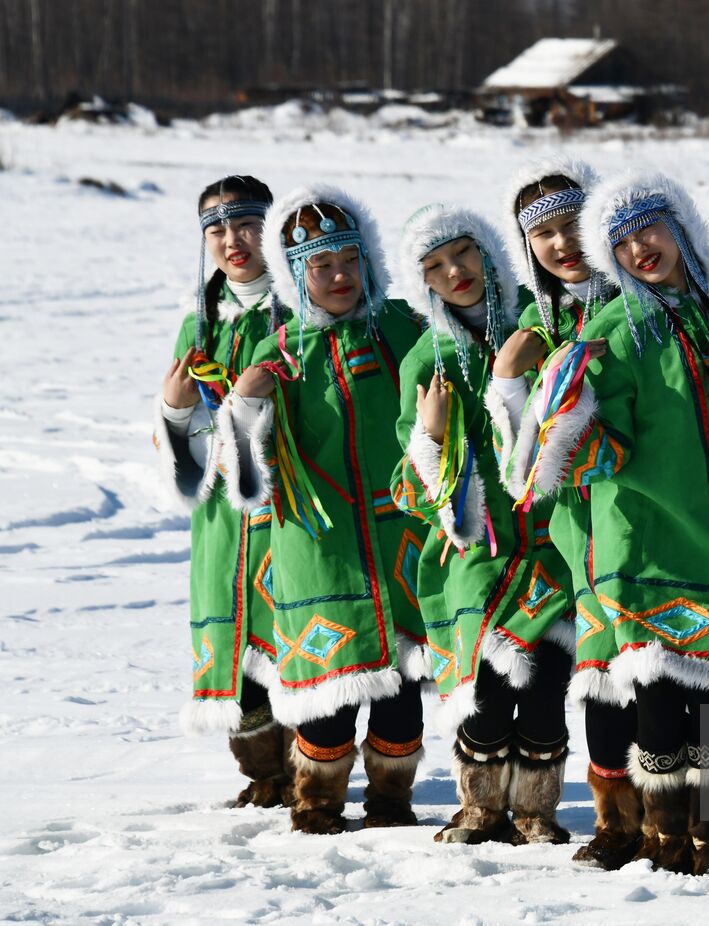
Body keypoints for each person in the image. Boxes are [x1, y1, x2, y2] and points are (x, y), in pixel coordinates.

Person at [499, 170, 709, 874]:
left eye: (652, 227)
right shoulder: (611, 331)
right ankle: (659, 834)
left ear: (684, 227)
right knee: (652, 696)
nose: (641, 247)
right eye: (620, 239)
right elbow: (577, 456)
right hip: (644, 540)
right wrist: (562, 398)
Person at [218, 185, 430, 834]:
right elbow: (241, 474)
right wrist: (246, 399)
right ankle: (316, 806)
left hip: (400, 548)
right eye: (320, 265)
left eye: (348, 259)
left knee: (400, 695)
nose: (339, 277)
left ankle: (392, 801)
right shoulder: (282, 350)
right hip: (320, 553)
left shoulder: (402, 328)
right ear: (295, 275)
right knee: (325, 699)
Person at [391, 202, 575, 845]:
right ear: (422, 283)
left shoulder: (541, 320)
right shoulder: (426, 362)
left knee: (550, 689)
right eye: (435, 266)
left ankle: (535, 811)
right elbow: (413, 489)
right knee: (488, 694)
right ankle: (480, 807)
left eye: (463, 253)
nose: (455, 272)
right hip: (475, 556)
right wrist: (432, 435)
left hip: (555, 546)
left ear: (490, 251)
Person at [486, 156, 647, 868]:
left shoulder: (650, 297)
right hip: (584, 530)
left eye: (572, 225)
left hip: (668, 512)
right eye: (543, 234)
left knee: (693, 672)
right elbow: (519, 459)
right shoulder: (534, 323)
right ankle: (617, 822)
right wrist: (508, 381)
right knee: (604, 674)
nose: (561, 244)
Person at [154, 174, 293, 806]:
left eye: (247, 225)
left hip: (293, 504)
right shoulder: (198, 324)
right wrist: (174, 410)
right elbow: (181, 435)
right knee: (236, 643)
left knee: (297, 635)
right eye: (217, 229)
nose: (232, 241)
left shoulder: (300, 307)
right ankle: (265, 773)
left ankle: (317, 769)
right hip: (221, 516)